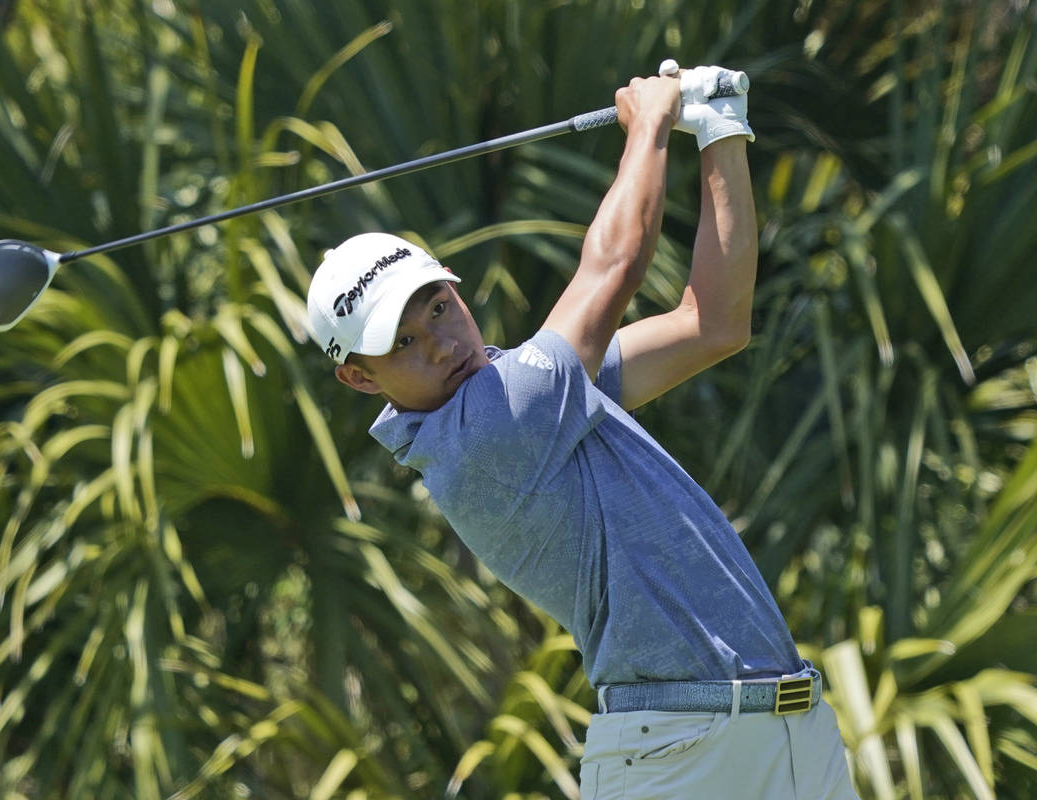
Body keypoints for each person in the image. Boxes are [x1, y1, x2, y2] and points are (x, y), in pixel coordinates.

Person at [306, 66, 860, 799]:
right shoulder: (492, 428)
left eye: (438, 308)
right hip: (681, 757)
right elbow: (617, 263)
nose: (439, 342)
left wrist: (722, 131)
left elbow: (714, 323)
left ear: (452, 283)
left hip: (789, 730)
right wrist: (651, 124)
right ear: (360, 378)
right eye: (402, 342)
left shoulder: (530, 390)